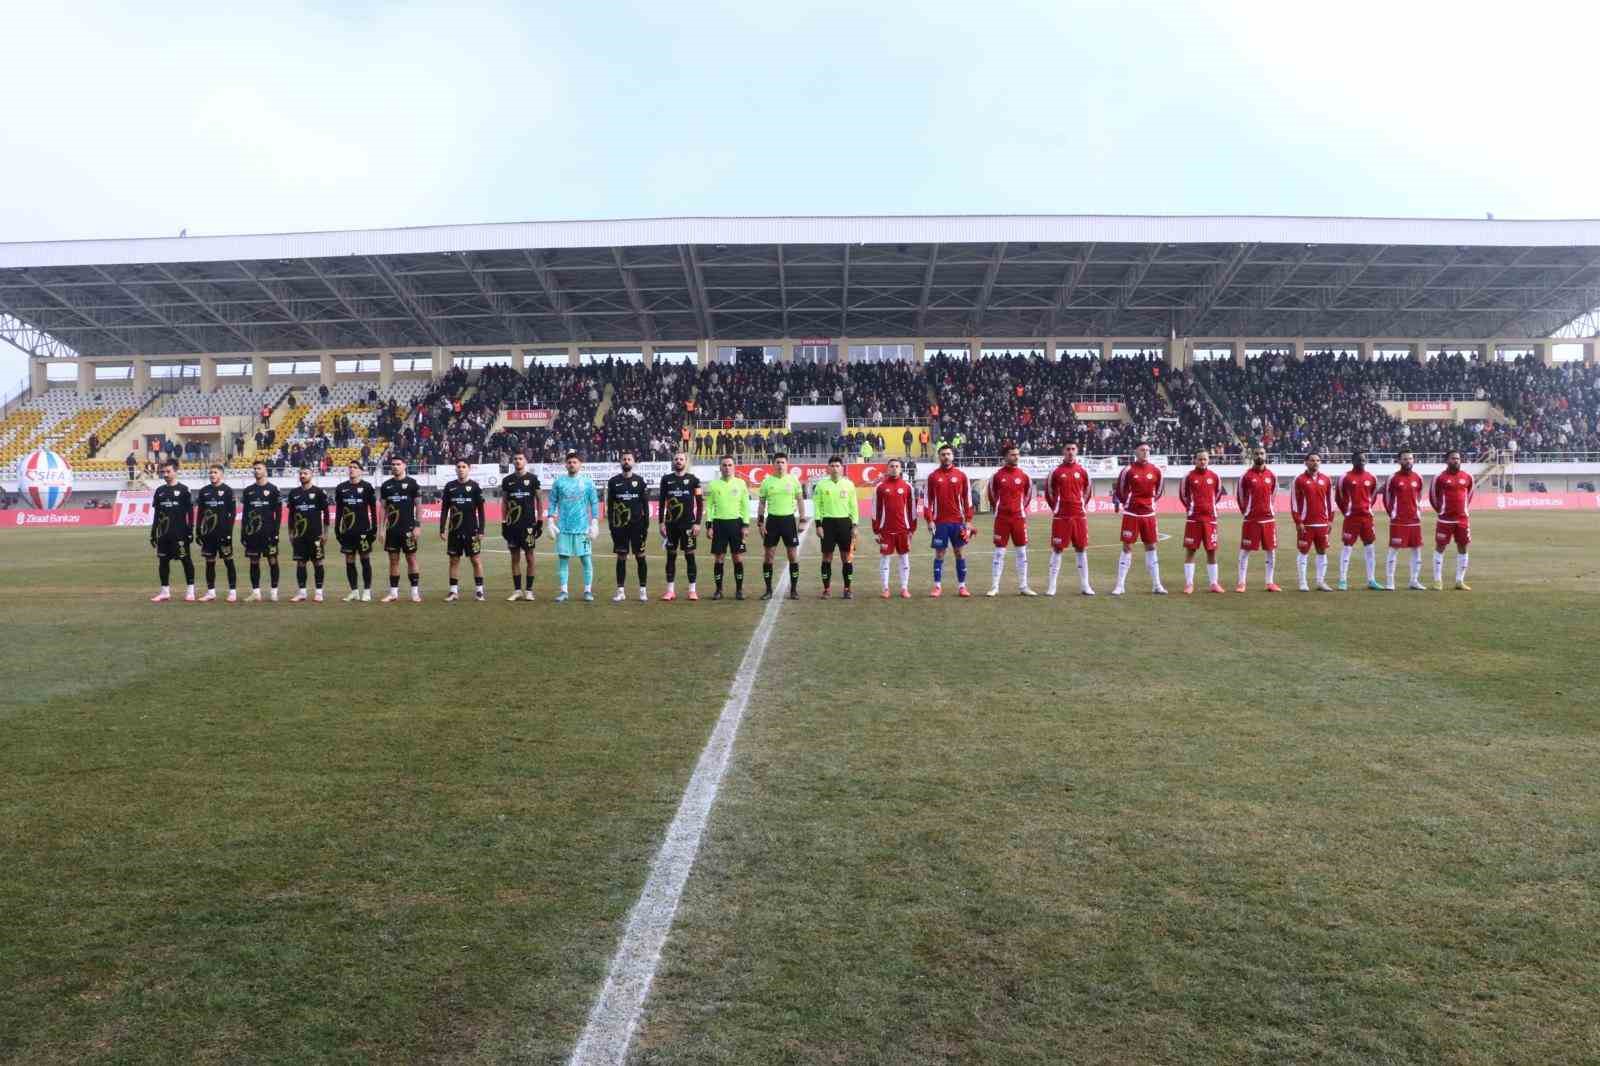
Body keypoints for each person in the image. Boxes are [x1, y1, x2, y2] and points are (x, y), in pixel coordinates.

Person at [1112, 442, 1167, 596]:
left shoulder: (1156, 471)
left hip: (1148, 514)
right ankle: (1120, 585)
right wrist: (1129, 503)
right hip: (1131, 514)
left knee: (1151, 547)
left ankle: (1157, 585)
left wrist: (1148, 503)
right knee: (1127, 547)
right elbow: (1120, 491)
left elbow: (1159, 491)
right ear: (1135, 452)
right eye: (1142, 450)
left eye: (1148, 450)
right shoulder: (1127, 470)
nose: (1145, 452)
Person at [549, 450, 600, 603]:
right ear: (566, 464)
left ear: (580, 464)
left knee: (586, 560)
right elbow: (552, 502)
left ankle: (587, 591)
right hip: (563, 528)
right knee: (563, 560)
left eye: (575, 462)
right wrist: (550, 520)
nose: (572, 464)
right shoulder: (559, 482)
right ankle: (564, 591)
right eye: (569, 462)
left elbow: (594, 502)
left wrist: (595, 522)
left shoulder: (587, 482)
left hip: (582, 529)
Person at [923, 444, 973, 597]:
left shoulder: (961, 476)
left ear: (953, 456)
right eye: (943, 454)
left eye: (948, 454)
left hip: (958, 522)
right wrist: (929, 520)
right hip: (940, 523)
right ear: (939, 456)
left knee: (959, 553)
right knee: (939, 554)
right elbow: (927, 501)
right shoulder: (932, 476)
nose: (946, 456)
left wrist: (969, 521)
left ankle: (962, 586)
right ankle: (937, 586)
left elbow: (967, 500)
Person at [1046, 441, 1095, 597]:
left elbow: (1088, 491)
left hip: (1079, 516)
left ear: (1077, 451)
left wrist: (1081, 506)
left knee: (1081, 548)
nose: (1070, 452)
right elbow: (1049, 493)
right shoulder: (1055, 471)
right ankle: (1052, 586)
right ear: (1063, 451)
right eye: (1068, 449)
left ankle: (1085, 585)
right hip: (1061, 517)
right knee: (1058, 549)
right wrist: (1057, 508)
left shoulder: (1083, 471)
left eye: (1073, 449)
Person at [986, 444, 1036, 596]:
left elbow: (1028, 495)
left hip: (1019, 518)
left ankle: (1023, 586)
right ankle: (995, 586)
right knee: (999, 552)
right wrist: (1001, 507)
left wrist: (1019, 508)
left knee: (1021, 552)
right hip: (1001, 518)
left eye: (1017, 454)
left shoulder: (1024, 475)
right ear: (1006, 457)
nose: (1016, 457)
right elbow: (991, 494)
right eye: (1013, 454)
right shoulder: (997, 476)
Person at [756, 453, 804, 600]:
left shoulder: (793, 480)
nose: (780, 465)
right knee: (768, 556)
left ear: (787, 464)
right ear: (773, 464)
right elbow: (762, 503)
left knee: (792, 555)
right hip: (772, 521)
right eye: (777, 462)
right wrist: (760, 522)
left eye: (783, 462)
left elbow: (800, 500)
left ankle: (794, 590)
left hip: (788, 520)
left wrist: (802, 518)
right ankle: (768, 590)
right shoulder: (767, 482)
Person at [606, 450, 651, 603]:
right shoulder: (613, 482)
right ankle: (620, 591)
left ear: (633, 462)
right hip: (620, 527)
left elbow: (645, 505)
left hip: (637, 527)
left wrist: (646, 526)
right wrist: (612, 526)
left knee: (640, 557)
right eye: (624, 459)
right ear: (620, 462)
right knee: (621, 557)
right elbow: (610, 505)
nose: (626, 461)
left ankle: (643, 591)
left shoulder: (640, 481)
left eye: (629, 459)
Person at [703, 455, 751, 600]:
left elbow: (745, 506)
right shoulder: (713, 485)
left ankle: (739, 590)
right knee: (719, 559)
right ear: (720, 467)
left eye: (730, 465)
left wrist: (745, 525)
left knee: (737, 558)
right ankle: (718, 590)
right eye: (724, 465)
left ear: (734, 467)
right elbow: (710, 507)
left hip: (736, 525)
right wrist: (709, 526)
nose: (727, 468)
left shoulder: (741, 483)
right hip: (719, 524)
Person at [1178, 449, 1225, 595]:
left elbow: (1217, 494)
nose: (1202, 461)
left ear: (1208, 460)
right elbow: (1183, 495)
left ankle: (1214, 583)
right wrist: (1191, 508)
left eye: (1205, 459)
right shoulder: (1188, 477)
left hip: (1210, 520)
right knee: (1191, 551)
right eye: (1200, 459)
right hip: (1194, 519)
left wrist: (1209, 508)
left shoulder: (1215, 476)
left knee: (1211, 551)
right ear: (1195, 460)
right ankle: (1189, 584)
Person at [658, 450, 703, 601]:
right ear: (673, 461)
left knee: (690, 556)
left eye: (681, 459)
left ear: (686, 462)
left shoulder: (694, 480)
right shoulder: (666, 480)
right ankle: (670, 591)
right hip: (671, 525)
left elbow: (700, 503)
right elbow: (661, 502)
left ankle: (692, 590)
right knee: (671, 556)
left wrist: (697, 523)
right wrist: (661, 522)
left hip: (689, 525)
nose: (678, 461)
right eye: (676, 459)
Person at [1235, 446, 1281, 593]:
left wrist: (1269, 509)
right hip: (1251, 519)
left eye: (1261, 453)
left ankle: (1270, 582)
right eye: (1256, 454)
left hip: (1268, 519)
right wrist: (1247, 512)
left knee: (1270, 551)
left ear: (1265, 455)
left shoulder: (1272, 475)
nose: (1259, 456)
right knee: (1245, 551)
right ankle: (1241, 583)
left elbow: (1273, 494)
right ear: (1252, 456)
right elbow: (1240, 496)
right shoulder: (1246, 476)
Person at [440, 459, 487, 602]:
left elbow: (481, 510)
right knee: (453, 561)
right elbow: (444, 510)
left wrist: (481, 530)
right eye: (458, 467)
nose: (461, 469)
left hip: (471, 530)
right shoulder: (450, 487)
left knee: (476, 560)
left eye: (464, 467)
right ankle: (453, 591)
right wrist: (442, 528)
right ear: (456, 469)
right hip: (454, 531)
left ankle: (479, 591)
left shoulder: (474, 487)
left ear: (469, 469)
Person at [811, 455, 857, 599]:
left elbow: (853, 506)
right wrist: (818, 525)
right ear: (828, 468)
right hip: (828, 524)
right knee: (827, 557)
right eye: (832, 466)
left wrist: (855, 525)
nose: (835, 468)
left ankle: (847, 588)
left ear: (842, 468)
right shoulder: (821, 485)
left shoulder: (849, 485)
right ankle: (826, 589)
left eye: (837, 466)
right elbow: (817, 506)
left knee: (847, 558)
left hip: (845, 523)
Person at [1335, 450, 1382, 591]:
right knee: (1347, 547)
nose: (1362, 462)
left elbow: (1372, 495)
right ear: (1353, 461)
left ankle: (1371, 580)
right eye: (1359, 459)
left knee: (1370, 547)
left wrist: (1367, 508)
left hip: (1367, 518)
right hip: (1351, 518)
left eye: (1364, 459)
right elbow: (1339, 497)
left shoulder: (1371, 477)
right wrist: (1347, 512)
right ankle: (1343, 580)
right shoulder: (1345, 477)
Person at [149, 462, 196, 603]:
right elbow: (157, 513)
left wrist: (190, 530)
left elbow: (190, 512)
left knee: (185, 560)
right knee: (163, 562)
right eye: (163, 472)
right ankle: (165, 592)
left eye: (168, 471)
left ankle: (190, 591)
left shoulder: (184, 490)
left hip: (180, 533)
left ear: (175, 471)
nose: (165, 474)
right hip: (163, 534)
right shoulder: (159, 491)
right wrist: (153, 532)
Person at [379, 457, 423, 602]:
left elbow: (419, 506)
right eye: (393, 465)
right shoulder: (386, 486)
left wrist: (417, 525)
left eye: (398, 464)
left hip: (408, 529)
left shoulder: (412, 484)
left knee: (411, 558)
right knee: (393, 560)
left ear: (404, 466)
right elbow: (383, 509)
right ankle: (393, 593)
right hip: (392, 530)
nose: (395, 467)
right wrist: (381, 529)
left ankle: (415, 592)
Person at [500, 451, 543, 601]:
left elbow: (539, 500)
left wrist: (540, 521)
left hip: (529, 525)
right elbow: (504, 502)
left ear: (525, 461)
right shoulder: (507, 481)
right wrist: (504, 522)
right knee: (515, 558)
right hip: (512, 526)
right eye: (515, 459)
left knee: (530, 557)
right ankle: (517, 590)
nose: (518, 461)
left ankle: (529, 590)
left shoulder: (532, 479)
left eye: (520, 459)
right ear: (513, 462)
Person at [1429, 448, 1475, 590]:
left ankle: (1459, 581)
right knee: (1440, 547)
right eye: (1453, 458)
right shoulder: (1439, 477)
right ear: (1447, 461)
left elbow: (1470, 495)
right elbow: (1433, 497)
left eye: (1458, 459)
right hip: (1445, 520)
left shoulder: (1468, 477)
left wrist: (1463, 510)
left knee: (1463, 547)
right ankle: (1438, 581)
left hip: (1462, 520)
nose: (1456, 461)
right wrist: (1441, 511)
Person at [1383, 449, 1427, 591]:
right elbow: (1387, 498)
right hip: (1398, 520)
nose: (1408, 461)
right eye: (1405, 459)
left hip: (1414, 519)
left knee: (1416, 550)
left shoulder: (1418, 477)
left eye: (1410, 458)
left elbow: (1419, 496)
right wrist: (1393, 513)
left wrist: (1417, 510)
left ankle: (1414, 580)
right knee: (1393, 549)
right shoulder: (1393, 478)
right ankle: (1390, 582)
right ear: (1399, 461)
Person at [872, 458, 917, 599]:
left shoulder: (908, 487)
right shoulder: (880, 487)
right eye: (891, 466)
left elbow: (912, 510)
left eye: (897, 466)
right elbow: (875, 510)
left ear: (901, 469)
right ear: (887, 469)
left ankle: (904, 588)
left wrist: (912, 530)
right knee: (885, 558)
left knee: (904, 558)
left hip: (903, 529)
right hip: (886, 530)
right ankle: (885, 588)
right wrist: (876, 530)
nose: (894, 468)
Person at [1291, 451, 1335, 592]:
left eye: (1317, 460)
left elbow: (1330, 501)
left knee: (1322, 552)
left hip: (1322, 523)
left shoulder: (1326, 479)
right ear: (1306, 462)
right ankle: (1303, 582)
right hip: (1306, 523)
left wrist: (1330, 520)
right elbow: (1294, 503)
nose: (1315, 462)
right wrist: (1298, 521)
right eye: (1312, 460)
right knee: (1303, 552)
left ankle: (1321, 582)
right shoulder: (1299, 479)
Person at [334, 461, 378, 602]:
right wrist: (337, 528)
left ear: (361, 471)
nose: (351, 470)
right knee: (349, 560)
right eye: (350, 468)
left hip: (364, 530)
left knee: (365, 559)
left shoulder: (367, 487)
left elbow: (373, 509)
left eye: (355, 468)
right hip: (347, 532)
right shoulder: (341, 488)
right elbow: (339, 510)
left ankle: (367, 591)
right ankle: (354, 591)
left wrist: (374, 527)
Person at [284, 466, 329, 603]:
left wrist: (325, 533)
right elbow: (291, 515)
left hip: (315, 535)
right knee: (300, 563)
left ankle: (319, 592)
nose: (303, 475)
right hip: (299, 535)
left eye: (306, 473)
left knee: (318, 562)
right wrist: (290, 533)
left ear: (311, 475)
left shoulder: (319, 492)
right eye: (301, 473)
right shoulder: (293, 493)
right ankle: (302, 592)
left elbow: (326, 513)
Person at [194, 464, 238, 602]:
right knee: (209, 562)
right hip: (208, 534)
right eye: (211, 472)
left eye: (215, 472)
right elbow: (200, 512)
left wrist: (229, 532)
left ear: (221, 474)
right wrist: (198, 530)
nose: (212, 475)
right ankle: (211, 592)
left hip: (223, 534)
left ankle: (232, 592)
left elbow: (233, 513)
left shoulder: (228, 491)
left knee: (228, 561)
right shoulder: (204, 491)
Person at [240, 460, 282, 602]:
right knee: (254, 561)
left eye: (259, 468)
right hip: (252, 533)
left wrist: (276, 532)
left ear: (265, 471)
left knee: (272, 560)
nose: (256, 470)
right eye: (255, 468)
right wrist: (243, 533)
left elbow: (279, 513)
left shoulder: (273, 489)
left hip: (269, 532)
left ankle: (274, 592)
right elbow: (245, 514)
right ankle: (256, 592)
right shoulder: (248, 491)